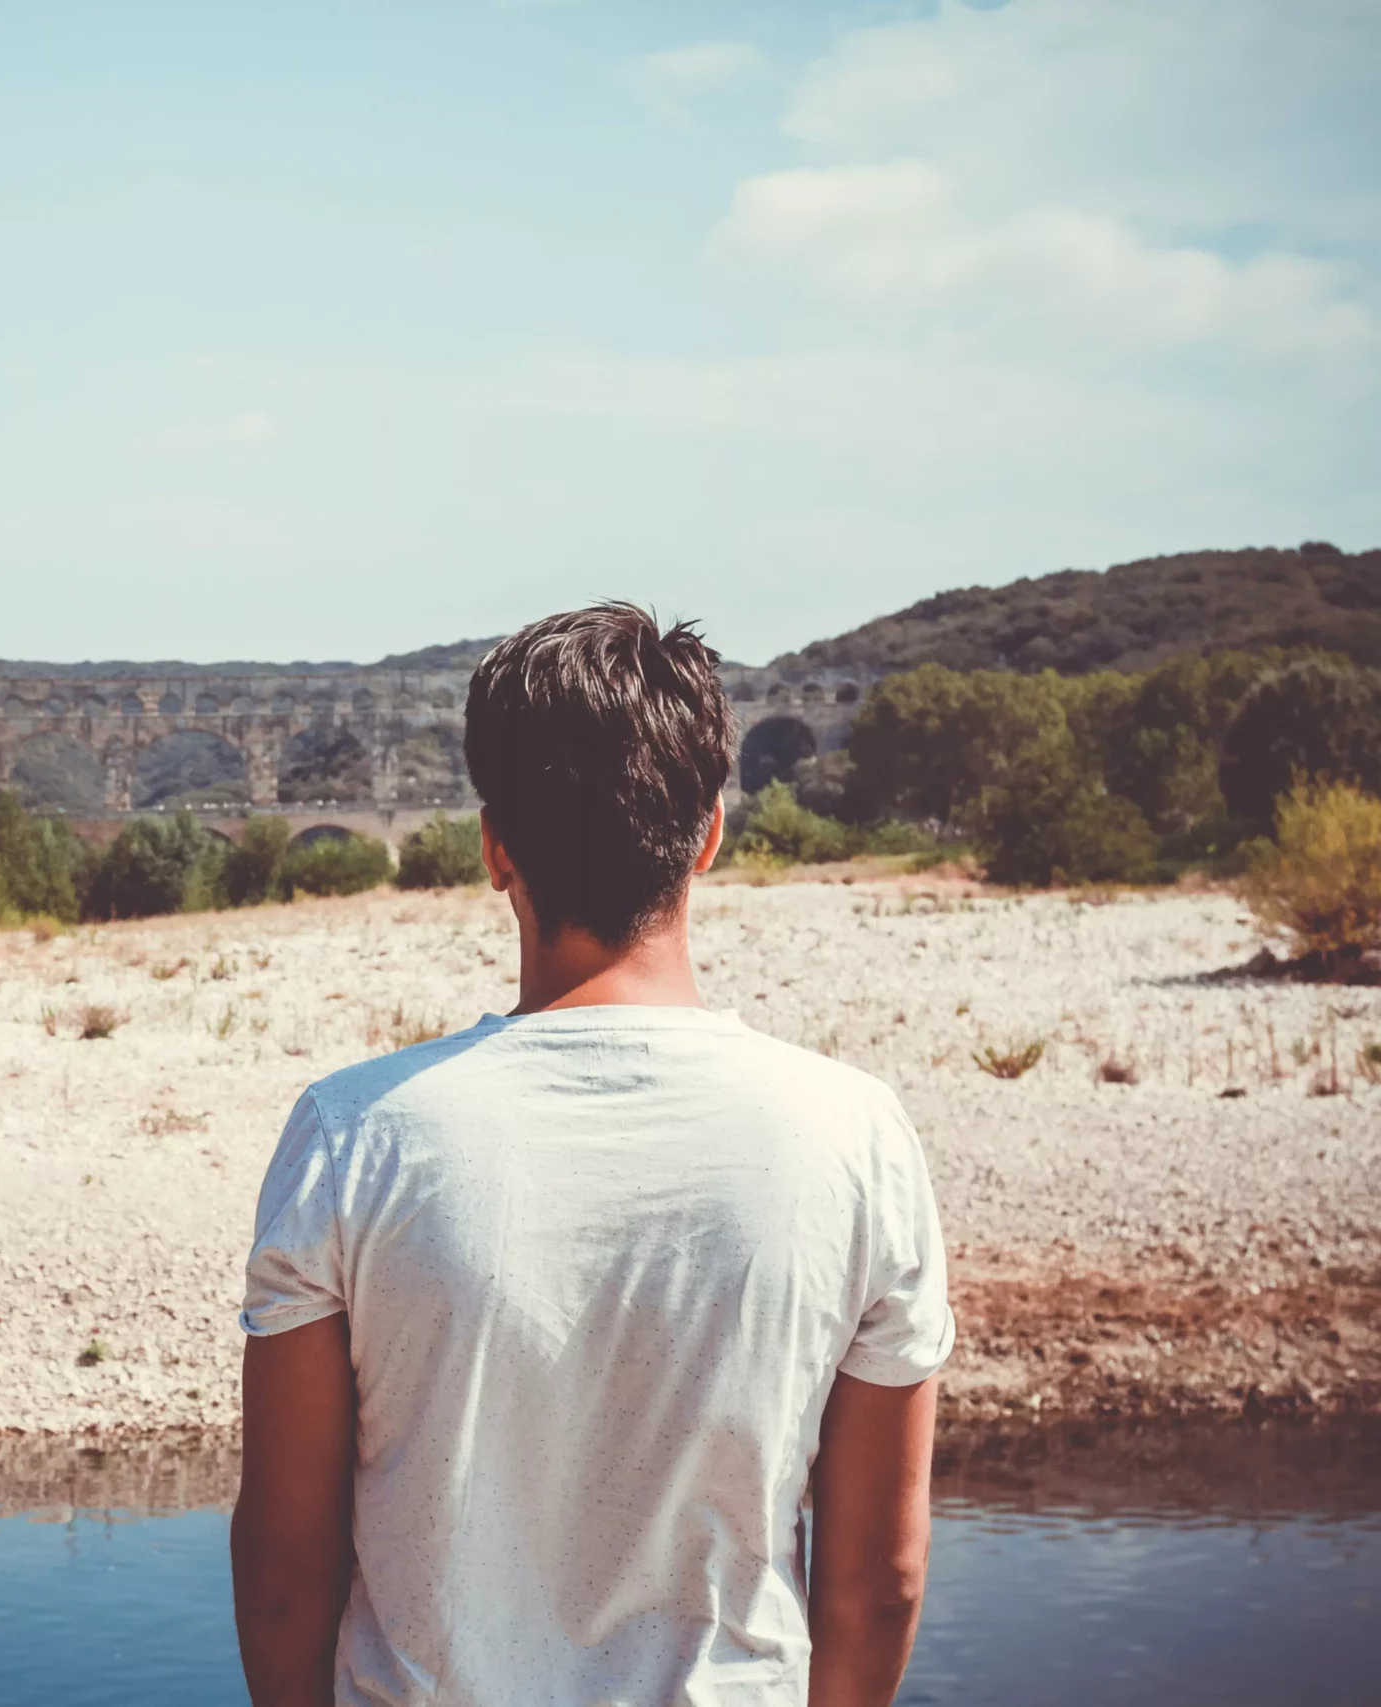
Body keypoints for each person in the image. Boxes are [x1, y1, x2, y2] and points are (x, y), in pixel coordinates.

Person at [230, 604, 952, 1707]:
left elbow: (286, 1577)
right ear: (710, 834)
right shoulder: (856, 1135)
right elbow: (878, 1584)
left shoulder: (351, 1137)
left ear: (493, 849)